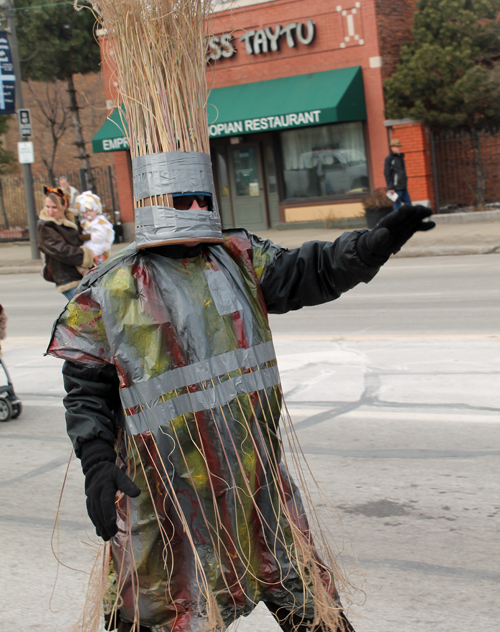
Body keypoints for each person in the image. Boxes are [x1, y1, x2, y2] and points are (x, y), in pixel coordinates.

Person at [48, 200, 435, 632]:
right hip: (168, 507)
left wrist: (368, 247)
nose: (196, 208)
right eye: (184, 201)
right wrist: (97, 462)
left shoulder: (237, 258)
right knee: (166, 613)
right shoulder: (111, 288)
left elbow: (311, 271)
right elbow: (86, 390)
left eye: (204, 198)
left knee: (311, 609)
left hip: (258, 490)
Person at [37, 187, 94, 301]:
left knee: (94, 313)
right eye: (47, 206)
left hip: (84, 274)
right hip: (67, 277)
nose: (50, 211)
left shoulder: (73, 219)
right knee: (88, 313)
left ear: (64, 205)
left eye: (54, 207)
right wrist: (87, 254)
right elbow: (62, 250)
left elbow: (79, 239)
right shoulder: (46, 225)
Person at [76, 190, 115, 265]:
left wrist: (88, 236)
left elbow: (101, 236)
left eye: (90, 210)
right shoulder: (84, 222)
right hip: (89, 245)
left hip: (98, 246)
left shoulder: (99, 222)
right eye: (84, 211)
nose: (88, 213)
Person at [384, 139, 411, 210]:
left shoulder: (401, 158)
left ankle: (410, 220)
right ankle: (396, 221)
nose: (399, 148)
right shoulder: (389, 159)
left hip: (403, 186)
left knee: (409, 205)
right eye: (397, 146)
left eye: (399, 146)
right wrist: (390, 187)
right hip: (396, 188)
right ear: (392, 147)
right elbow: (387, 173)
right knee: (397, 207)